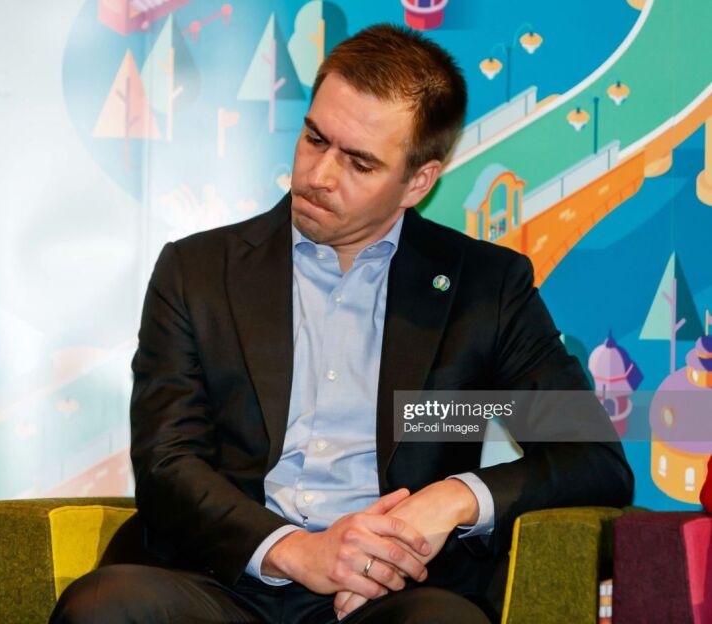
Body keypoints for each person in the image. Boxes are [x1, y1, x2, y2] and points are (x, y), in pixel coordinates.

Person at [50, 23, 633, 624]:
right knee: (104, 609)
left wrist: (447, 501)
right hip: (221, 579)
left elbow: (591, 457)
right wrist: (296, 551)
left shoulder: (484, 290)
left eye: (359, 162)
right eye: (314, 139)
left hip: (391, 596)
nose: (319, 175)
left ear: (417, 182)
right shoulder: (197, 272)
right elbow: (167, 462)